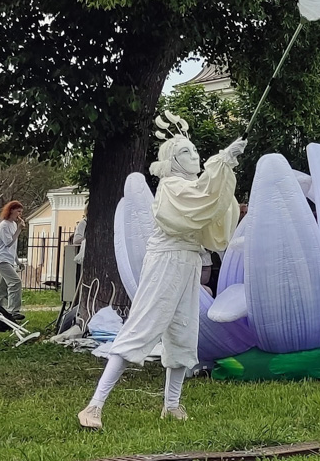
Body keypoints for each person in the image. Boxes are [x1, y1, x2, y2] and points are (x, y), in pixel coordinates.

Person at [78, 131, 245, 430]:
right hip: (166, 263)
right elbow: (201, 200)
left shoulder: (192, 187)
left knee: (183, 332)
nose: (194, 156)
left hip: (189, 263)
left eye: (195, 150)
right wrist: (220, 163)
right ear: (172, 162)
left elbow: (214, 207)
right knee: (142, 328)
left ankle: (172, 405)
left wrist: (225, 166)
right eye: (185, 152)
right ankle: (94, 405)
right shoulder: (171, 187)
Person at [0, 201, 25, 321]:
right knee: (15, 282)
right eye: (18, 211)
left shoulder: (13, 225)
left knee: (2, 288)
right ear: (11, 211)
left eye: (21, 212)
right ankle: (13, 311)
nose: (20, 214)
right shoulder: (4, 225)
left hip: (9, 259)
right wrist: (19, 230)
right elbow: (8, 242)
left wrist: (17, 261)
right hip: (1, 258)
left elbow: (13, 246)